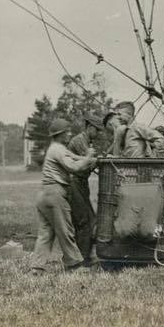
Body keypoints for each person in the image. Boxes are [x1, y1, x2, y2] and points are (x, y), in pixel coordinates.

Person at [29, 118, 98, 275]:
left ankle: (37, 267)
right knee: (66, 230)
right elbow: (73, 167)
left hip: (44, 195)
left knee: (46, 233)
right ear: (59, 134)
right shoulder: (57, 149)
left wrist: (92, 159)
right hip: (55, 194)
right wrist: (89, 157)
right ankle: (74, 265)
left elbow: (76, 158)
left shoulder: (56, 148)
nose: (69, 134)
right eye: (67, 132)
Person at [67, 113, 106, 264]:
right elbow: (88, 162)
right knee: (83, 220)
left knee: (90, 219)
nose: (98, 133)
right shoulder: (79, 141)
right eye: (97, 130)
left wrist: (99, 159)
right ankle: (82, 259)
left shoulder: (86, 142)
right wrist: (101, 160)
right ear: (89, 127)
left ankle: (85, 256)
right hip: (74, 183)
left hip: (81, 183)